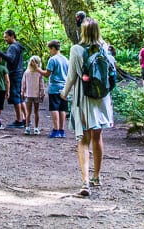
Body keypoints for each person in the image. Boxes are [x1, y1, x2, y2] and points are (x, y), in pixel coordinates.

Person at [61, 17, 115, 197]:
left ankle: (85, 182)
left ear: (82, 32)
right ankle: (97, 177)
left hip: (83, 97)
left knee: (83, 140)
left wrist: (64, 93)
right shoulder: (105, 49)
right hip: (101, 98)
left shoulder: (76, 49)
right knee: (97, 137)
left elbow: (72, 76)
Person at [38, 39, 69, 138]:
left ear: (53, 48)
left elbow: (47, 74)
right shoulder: (65, 59)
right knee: (62, 108)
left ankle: (55, 129)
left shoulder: (52, 59)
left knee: (54, 108)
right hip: (64, 87)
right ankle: (62, 130)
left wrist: (37, 69)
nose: (49, 52)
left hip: (54, 87)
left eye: (50, 49)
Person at [0, 29, 26, 128]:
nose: (5, 39)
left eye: (6, 37)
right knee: (19, 97)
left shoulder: (13, 47)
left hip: (14, 74)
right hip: (19, 73)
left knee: (15, 97)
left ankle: (19, 120)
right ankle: (25, 119)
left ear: (12, 36)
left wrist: (0, 53)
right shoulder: (18, 46)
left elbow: (10, 59)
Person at [21, 56, 45, 135]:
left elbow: (23, 84)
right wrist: (42, 93)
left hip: (29, 95)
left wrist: (22, 92)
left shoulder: (27, 72)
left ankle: (29, 128)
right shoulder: (38, 73)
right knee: (35, 112)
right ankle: (34, 128)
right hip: (34, 95)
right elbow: (41, 85)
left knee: (29, 112)